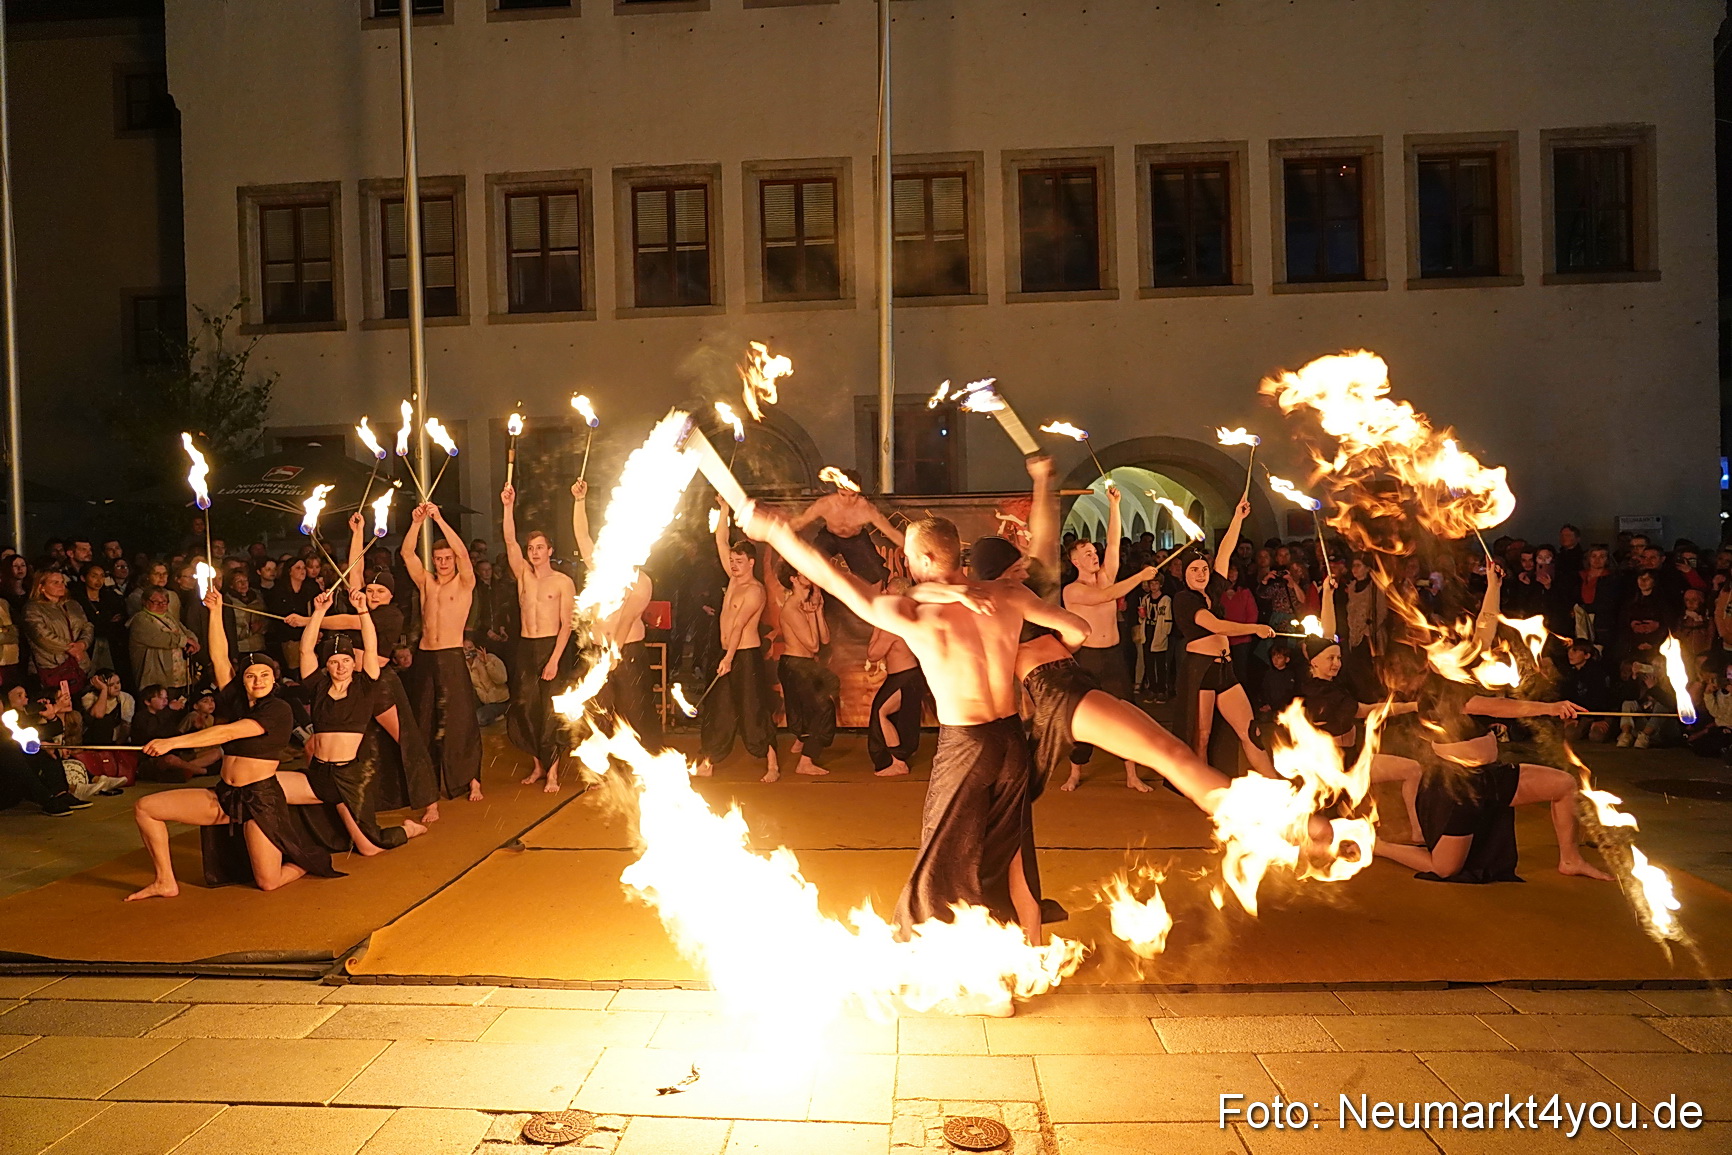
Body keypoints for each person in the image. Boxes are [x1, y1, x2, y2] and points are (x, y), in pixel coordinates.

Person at [745, 501, 1087, 964]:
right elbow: (1078, 630)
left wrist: (779, 535)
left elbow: (835, 582)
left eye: (908, 556)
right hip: (1011, 740)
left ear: (924, 560)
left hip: (967, 746)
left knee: (945, 869)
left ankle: (977, 978)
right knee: (1003, 854)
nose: (905, 564)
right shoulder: (1007, 596)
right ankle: (1024, 956)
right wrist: (1032, 662)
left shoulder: (916, 614)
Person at [1371, 566, 1613, 884]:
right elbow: (1497, 706)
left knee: (1564, 785)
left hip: (1492, 775)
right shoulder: (1439, 687)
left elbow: (1485, 628)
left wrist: (1493, 585)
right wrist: (1551, 708)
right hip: (1455, 785)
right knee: (1444, 868)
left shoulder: (1463, 668)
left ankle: (1570, 859)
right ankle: (1380, 846)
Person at [125, 588, 345, 900]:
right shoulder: (238, 700)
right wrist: (214, 612)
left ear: (274, 678)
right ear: (243, 680)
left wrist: (171, 742)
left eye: (265, 675)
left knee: (268, 882)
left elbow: (225, 735)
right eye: (252, 676)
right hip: (225, 795)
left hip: (261, 800)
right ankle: (165, 881)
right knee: (146, 807)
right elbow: (218, 655)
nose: (258, 681)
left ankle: (304, 861)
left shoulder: (277, 710)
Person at [296, 587, 427, 855]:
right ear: (327, 665)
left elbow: (371, 645)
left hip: (349, 778)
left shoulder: (365, 686)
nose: (342, 666)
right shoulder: (318, 687)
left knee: (369, 848)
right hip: (319, 775)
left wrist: (363, 612)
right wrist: (319, 612)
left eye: (346, 660)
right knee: (263, 790)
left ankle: (408, 830)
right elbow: (305, 651)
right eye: (335, 662)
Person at [1293, 574, 1423, 837]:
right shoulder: (1317, 691)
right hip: (1336, 769)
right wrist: (1412, 707)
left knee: (1413, 769)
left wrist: (1328, 594)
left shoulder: (1330, 679)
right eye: (1330, 659)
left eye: (1338, 658)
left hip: (1355, 758)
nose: (1336, 663)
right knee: (1333, 827)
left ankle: (1418, 834)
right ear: (1313, 663)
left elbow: (1329, 633)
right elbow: (1365, 712)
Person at [1060, 484, 1157, 789]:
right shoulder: (1072, 590)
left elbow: (1113, 545)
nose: (1094, 556)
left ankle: (1131, 775)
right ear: (1075, 561)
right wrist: (1139, 577)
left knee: (1126, 713)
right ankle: (1075, 773)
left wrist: (1115, 505)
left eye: (1094, 552)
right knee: (1081, 717)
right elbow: (1107, 596)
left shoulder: (1105, 574)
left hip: (1114, 655)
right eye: (1087, 554)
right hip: (1087, 657)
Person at [1174, 499, 1276, 775]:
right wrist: (1254, 628)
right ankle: (1202, 787)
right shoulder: (1184, 599)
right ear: (1184, 574)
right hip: (1200, 670)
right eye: (1194, 570)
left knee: (1250, 729)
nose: (1201, 574)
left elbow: (1225, 551)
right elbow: (1216, 626)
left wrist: (1237, 517)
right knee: (1202, 735)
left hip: (1225, 668)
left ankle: (1276, 781)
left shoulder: (1214, 589)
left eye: (1204, 569)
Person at [401, 502, 484, 803]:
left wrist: (439, 518)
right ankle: (429, 782)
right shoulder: (426, 583)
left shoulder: (464, 583)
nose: (444, 562)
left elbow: (463, 554)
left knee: (460, 719)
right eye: (438, 558)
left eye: (447, 558)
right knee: (425, 721)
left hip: (450, 655)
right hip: (426, 655)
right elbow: (406, 554)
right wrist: (416, 522)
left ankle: (471, 779)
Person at [571, 479, 659, 744]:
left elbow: (626, 620)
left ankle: (644, 773)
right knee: (599, 713)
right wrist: (579, 501)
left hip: (627, 652)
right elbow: (582, 536)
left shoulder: (640, 582)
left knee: (634, 714)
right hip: (599, 650)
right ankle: (605, 773)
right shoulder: (600, 569)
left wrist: (613, 654)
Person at [501, 483, 576, 791]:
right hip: (525, 646)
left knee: (549, 711)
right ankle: (538, 766)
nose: (534, 553)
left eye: (539, 548)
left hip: (550, 647)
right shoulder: (522, 575)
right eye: (531, 548)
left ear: (550, 551)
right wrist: (508, 506)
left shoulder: (562, 582)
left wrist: (555, 660)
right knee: (526, 708)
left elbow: (567, 625)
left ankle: (555, 771)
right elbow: (508, 540)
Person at [697, 499, 777, 780]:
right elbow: (721, 540)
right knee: (719, 710)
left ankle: (772, 765)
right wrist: (723, 512)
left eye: (739, 562)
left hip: (744, 655)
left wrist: (729, 659)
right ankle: (708, 762)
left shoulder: (754, 590)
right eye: (732, 561)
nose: (734, 565)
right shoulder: (732, 579)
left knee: (752, 710)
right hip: (726, 654)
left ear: (751, 562)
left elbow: (741, 626)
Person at [771, 564, 837, 776]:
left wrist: (817, 610)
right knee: (824, 708)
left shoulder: (805, 604)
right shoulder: (792, 608)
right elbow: (813, 645)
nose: (808, 574)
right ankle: (805, 760)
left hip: (805, 666)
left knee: (815, 707)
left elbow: (825, 638)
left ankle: (802, 740)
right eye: (802, 572)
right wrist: (810, 615)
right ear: (793, 579)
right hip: (795, 666)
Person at [788, 470, 905, 587]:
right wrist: (779, 529)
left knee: (875, 575)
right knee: (809, 564)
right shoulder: (826, 504)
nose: (847, 500)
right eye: (843, 495)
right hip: (829, 537)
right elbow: (801, 521)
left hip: (855, 539)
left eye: (852, 495)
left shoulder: (867, 509)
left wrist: (913, 550)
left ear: (858, 492)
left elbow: (891, 532)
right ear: (837, 491)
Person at [866, 578, 927, 777]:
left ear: (898, 596)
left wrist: (877, 623)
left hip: (905, 677)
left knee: (881, 712)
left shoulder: (892, 623)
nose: (883, 593)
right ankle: (898, 756)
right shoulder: (907, 617)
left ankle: (898, 763)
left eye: (887, 591)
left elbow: (873, 654)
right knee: (891, 715)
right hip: (906, 677)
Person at [23, 570, 95, 695]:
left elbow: (87, 626)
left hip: (80, 665)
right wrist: (70, 648)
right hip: (53, 666)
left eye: (62, 582)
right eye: (55, 582)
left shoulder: (73, 604)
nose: (61, 585)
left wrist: (82, 644)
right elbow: (41, 636)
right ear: (41, 587)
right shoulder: (33, 608)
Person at [129, 587, 198, 700]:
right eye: (156, 602)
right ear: (145, 602)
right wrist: (184, 641)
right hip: (157, 680)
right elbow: (158, 638)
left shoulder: (169, 617)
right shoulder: (140, 620)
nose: (161, 605)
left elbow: (185, 631)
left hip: (179, 678)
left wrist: (193, 641)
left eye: (164, 602)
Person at [71, 563, 128, 678]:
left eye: (102, 576)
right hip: (89, 646)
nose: (99, 580)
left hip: (112, 645)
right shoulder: (77, 600)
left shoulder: (111, 597)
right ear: (83, 578)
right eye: (94, 576)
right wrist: (106, 623)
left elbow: (120, 619)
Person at [465, 640, 510, 727]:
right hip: (482, 701)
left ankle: (502, 713)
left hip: (499, 701)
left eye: (470, 648)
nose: (468, 651)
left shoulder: (490, 658)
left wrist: (487, 663)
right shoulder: (464, 665)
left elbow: (502, 679)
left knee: (479, 718)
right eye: (464, 649)